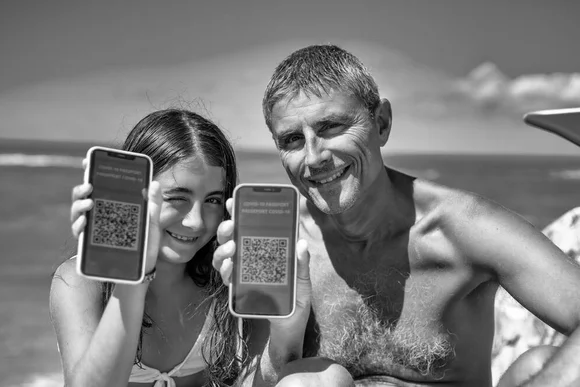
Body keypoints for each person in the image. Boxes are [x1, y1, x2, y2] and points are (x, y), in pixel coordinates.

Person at [212, 45, 580, 387]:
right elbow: (267, 380)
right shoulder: (287, 247)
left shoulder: (462, 229)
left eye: (331, 127)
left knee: (540, 363)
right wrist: (286, 329)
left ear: (382, 123)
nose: (312, 158)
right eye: (292, 139)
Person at [50, 109, 253, 387]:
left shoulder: (224, 278)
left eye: (213, 201)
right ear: (138, 194)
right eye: (177, 197)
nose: (195, 222)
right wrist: (135, 274)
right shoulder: (78, 282)